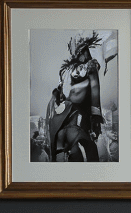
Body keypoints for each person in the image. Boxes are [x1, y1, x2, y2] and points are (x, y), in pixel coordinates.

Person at [44, 33, 105, 161]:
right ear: (83, 52)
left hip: (66, 119)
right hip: (73, 116)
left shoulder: (72, 70)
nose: (87, 54)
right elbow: (94, 90)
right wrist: (96, 117)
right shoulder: (86, 67)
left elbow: (92, 91)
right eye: (85, 52)